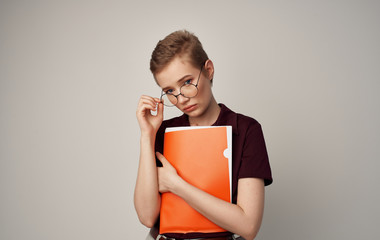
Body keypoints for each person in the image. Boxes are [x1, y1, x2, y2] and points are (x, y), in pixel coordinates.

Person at [135, 30, 272, 240]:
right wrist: (147, 135)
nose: (181, 99)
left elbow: (248, 225)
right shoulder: (162, 132)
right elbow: (146, 217)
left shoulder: (246, 130)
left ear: (208, 70)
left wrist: (176, 184)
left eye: (187, 82)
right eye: (170, 91)